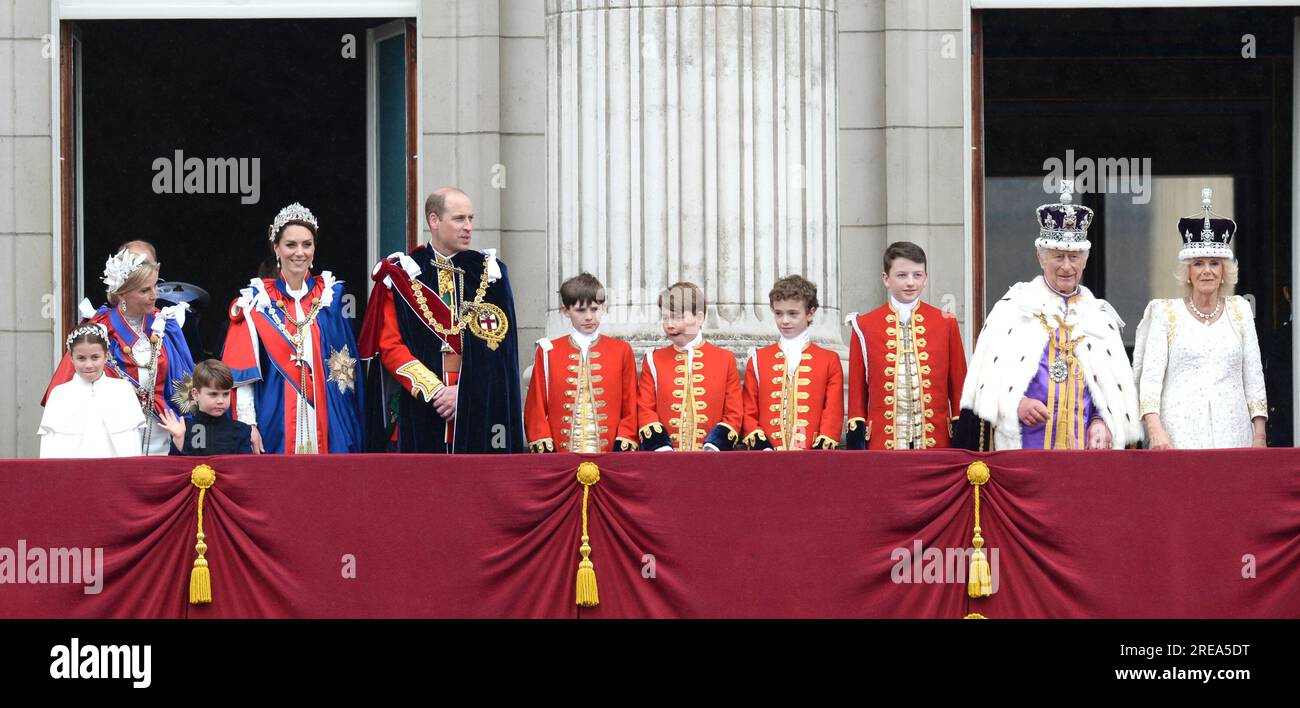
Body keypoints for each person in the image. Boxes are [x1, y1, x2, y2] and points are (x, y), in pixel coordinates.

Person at [958, 181, 1140, 450]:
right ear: (1041, 258)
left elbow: (1115, 395)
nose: (1067, 266)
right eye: (1058, 256)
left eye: (1074, 257)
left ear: (1085, 260)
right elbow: (984, 389)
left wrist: (1103, 420)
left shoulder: (1101, 318)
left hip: (1085, 457)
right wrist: (1015, 404)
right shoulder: (1011, 309)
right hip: (1024, 450)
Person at [359, 187, 525, 453]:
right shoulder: (404, 274)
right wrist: (436, 391)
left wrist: (464, 392)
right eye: (459, 219)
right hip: (423, 407)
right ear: (434, 220)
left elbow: (501, 351)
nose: (468, 227)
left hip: (478, 408)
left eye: (471, 218)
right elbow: (390, 346)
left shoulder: (490, 273)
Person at [222, 203, 365, 454]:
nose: (299, 253)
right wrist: (248, 426)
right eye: (291, 245)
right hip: (275, 418)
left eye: (307, 244)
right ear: (276, 248)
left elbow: (347, 372)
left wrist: (348, 423)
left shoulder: (332, 296)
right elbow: (243, 375)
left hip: (329, 417)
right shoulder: (257, 301)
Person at [1133, 188, 1267, 449]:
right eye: (1198, 264)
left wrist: (1259, 436)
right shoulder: (1165, 313)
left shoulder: (1240, 311)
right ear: (1188, 272)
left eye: (1214, 263)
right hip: (1177, 438)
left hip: (1234, 436)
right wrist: (1155, 429)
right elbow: (1149, 382)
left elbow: (1254, 377)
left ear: (1224, 271)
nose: (1207, 271)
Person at [41, 247, 196, 455]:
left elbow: (184, 377)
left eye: (154, 287)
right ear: (123, 294)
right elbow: (70, 380)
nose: (154, 296)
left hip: (161, 430)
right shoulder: (101, 327)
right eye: (144, 290)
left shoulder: (164, 324)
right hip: (114, 432)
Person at [844, 241, 967, 450]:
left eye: (917, 275)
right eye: (902, 275)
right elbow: (857, 393)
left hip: (937, 441)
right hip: (882, 443)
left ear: (926, 278)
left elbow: (958, 385)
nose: (910, 282)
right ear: (886, 279)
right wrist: (857, 444)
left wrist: (963, 435)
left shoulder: (946, 322)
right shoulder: (864, 326)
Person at [524, 273, 638, 453]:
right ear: (566, 310)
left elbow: (630, 405)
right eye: (581, 310)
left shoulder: (622, 350)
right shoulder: (548, 352)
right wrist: (545, 449)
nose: (589, 317)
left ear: (604, 308)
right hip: (562, 457)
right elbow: (535, 407)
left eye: (594, 309)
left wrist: (624, 442)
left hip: (610, 455)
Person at [637, 281, 743, 451]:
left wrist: (714, 446)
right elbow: (645, 409)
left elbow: (734, 413)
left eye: (677, 317)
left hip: (712, 462)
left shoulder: (725, 359)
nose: (670, 325)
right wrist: (661, 447)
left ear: (699, 318)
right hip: (663, 462)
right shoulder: (653, 360)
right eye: (665, 318)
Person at [741, 275, 843, 450]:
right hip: (766, 456)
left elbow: (833, 412)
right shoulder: (758, 359)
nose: (784, 321)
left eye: (793, 314)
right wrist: (761, 446)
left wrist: (820, 450)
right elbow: (748, 410)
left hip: (811, 457)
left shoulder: (829, 360)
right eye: (778, 313)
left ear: (810, 313)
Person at [39, 324, 145, 458]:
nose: (88, 365)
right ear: (71, 358)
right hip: (72, 475)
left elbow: (134, 445)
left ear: (106, 356)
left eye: (95, 357)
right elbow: (48, 450)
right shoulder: (59, 394)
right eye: (81, 358)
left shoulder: (124, 391)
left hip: (115, 474)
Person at [157, 359, 255, 455]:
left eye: (225, 394)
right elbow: (176, 468)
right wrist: (179, 440)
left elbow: (245, 468)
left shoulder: (241, 430)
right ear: (195, 394)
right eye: (213, 394)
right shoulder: (184, 430)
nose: (221, 401)